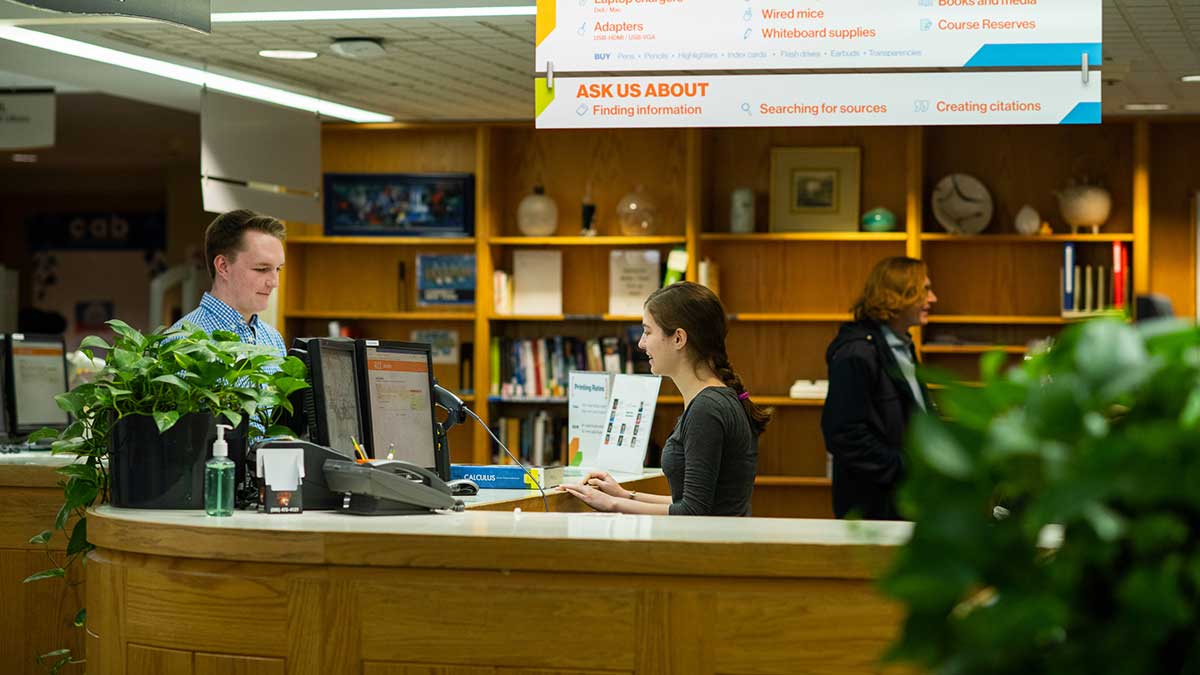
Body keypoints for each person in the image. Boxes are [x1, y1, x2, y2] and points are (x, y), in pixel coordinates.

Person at [561, 282, 772, 516]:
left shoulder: (707, 409)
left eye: (648, 332)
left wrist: (611, 504)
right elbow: (696, 501)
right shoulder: (715, 401)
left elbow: (692, 512)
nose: (641, 343)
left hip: (710, 549)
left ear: (679, 338)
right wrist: (624, 495)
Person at [821, 256, 936, 520]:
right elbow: (844, 435)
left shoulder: (903, 347)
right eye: (925, 290)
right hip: (874, 509)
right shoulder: (858, 352)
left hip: (905, 501)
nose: (933, 299)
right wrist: (905, 467)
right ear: (897, 295)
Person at [171, 209, 287, 360]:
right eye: (262, 269)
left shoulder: (274, 340)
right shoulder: (185, 341)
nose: (274, 282)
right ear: (223, 266)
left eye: (278, 269)